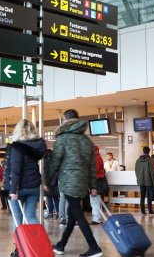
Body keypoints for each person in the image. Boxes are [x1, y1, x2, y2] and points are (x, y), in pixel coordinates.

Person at [47, 109, 103, 257]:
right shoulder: (87, 141)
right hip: (82, 183)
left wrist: (47, 180)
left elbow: (54, 162)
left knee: (78, 215)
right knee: (72, 216)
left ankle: (94, 247)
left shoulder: (63, 139)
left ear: (65, 121)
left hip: (69, 182)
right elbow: (92, 167)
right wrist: (93, 186)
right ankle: (61, 245)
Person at [5, 120, 46, 226]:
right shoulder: (37, 147)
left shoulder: (17, 147)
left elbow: (16, 170)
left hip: (20, 188)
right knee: (30, 216)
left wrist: (13, 190)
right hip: (34, 186)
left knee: (17, 218)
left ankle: (19, 242)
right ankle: (38, 241)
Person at [135, 146, 154, 215]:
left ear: (143, 151)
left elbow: (136, 171)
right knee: (149, 197)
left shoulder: (138, 160)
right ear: (149, 151)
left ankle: (142, 210)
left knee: (142, 196)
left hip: (141, 181)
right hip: (149, 181)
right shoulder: (150, 160)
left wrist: (139, 179)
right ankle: (150, 210)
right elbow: (152, 172)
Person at [89, 145, 107, 225]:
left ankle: (96, 218)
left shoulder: (96, 158)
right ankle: (97, 217)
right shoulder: (97, 157)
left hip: (96, 181)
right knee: (95, 200)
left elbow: (94, 170)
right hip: (97, 181)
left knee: (94, 201)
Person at [43, 149, 60, 219]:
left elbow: (46, 173)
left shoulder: (45, 161)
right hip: (56, 182)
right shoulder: (55, 161)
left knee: (49, 198)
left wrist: (45, 183)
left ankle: (50, 213)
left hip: (49, 182)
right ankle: (58, 213)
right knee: (56, 198)